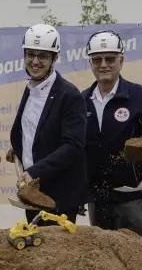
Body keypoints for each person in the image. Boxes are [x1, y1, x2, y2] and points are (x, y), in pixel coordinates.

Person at [83, 30, 142, 234]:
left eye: (110, 58)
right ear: (90, 63)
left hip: (133, 198)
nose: (103, 64)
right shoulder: (82, 101)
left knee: (136, 261)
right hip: (98, 200)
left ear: (121, 60)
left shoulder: (138, 96)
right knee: (104, 261)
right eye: (97, 59)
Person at [7, 24, 87, 217]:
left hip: (57, 197)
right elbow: (34, 130)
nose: (35, 61)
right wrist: (19, 148)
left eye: (42, 56)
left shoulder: (69, 95)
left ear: (54, 58)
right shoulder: (31, 88)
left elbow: (72, 147)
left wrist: (34, 171)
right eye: (30, 55)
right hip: (32, 192)